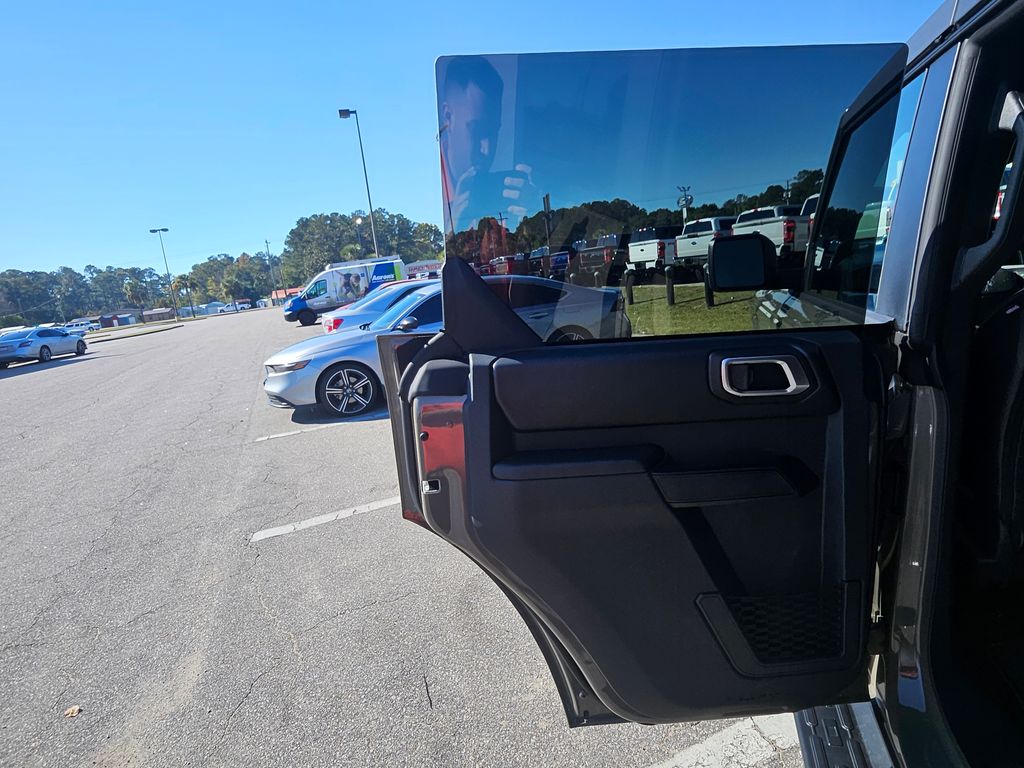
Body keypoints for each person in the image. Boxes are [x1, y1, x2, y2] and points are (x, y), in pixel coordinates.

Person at [438, 55, 540, 240]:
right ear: (448, 117)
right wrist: (452, 229)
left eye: (493, 132)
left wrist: (534, 219)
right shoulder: (427, 191)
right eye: (476, 130)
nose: (487, 149)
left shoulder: (507, 196)